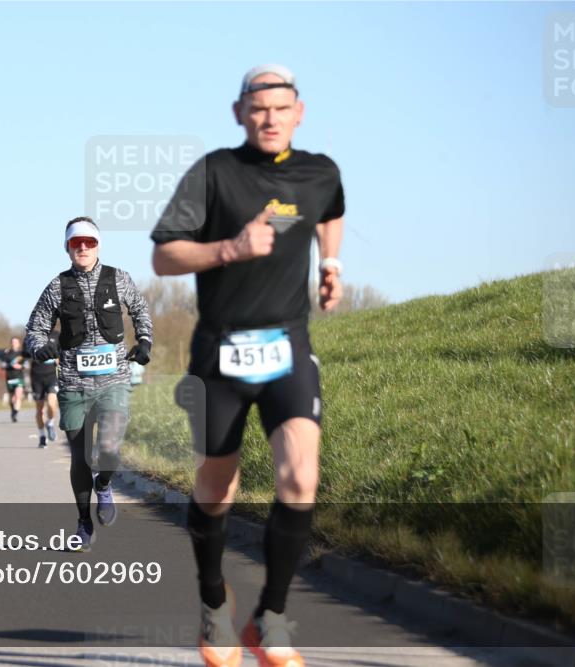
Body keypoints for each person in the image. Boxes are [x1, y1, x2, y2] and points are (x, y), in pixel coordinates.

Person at [151, 65, 344, 667]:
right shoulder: (214, 173)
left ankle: (273, 618)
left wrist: (330, 266)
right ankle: (214, 602)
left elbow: (330, 211)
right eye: (257, 108)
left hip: (288, 347)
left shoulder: (321, 172)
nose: (269, 118)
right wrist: (229, 249)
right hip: (220, 353)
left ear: (300, 112)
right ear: (239, 113)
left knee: (300, 479)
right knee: (217, 486)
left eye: (281, 108)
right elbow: (163, 256)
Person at [25, 216, 153, 550]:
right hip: (72, 383)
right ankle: (83, 524)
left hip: (114, 380)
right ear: (67, 247)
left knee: (109, 449)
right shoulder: (57, 286)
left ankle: (105, 483)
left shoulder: (118, 278)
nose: (82, 247)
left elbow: (140, 310)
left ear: (98, 245)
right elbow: (34, 330)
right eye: (75, 243)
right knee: (80, 457)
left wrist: (144, 341)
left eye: (89, 242)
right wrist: (42, 347)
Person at [29, 336, 60, 448]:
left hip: (51, 376)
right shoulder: (32, 335)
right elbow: (24, 354)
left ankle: (50, 422)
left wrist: (59, 360)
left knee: (52, 403)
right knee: (39, 409)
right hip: (37, 378)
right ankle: (42, 436)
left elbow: (62, 353)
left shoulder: (57, 335)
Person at [0, 336, 27, 422]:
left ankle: (15, 413)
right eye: (12, 342)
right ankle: (13, 410)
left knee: (18, 396)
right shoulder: (6, 354)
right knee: (12, 399)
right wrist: (10, 365)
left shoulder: (22, 354)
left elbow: (27, 365)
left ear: (18, 344)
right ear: (11, 343)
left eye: (16, 342)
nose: (14, 343)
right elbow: (2, 365)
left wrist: (21, 366)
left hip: (19, 377)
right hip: (10, 378)